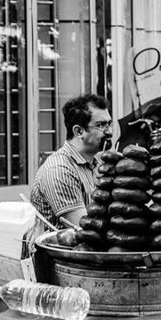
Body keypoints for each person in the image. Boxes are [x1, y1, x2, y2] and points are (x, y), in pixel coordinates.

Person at [30, 94, 112, 228]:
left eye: (109, 124)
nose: (110, 132)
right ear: (79, 131)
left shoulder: (97, 162)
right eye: (101, 125)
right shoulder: (60, 170)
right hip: (64, 248)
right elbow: (85, 230)